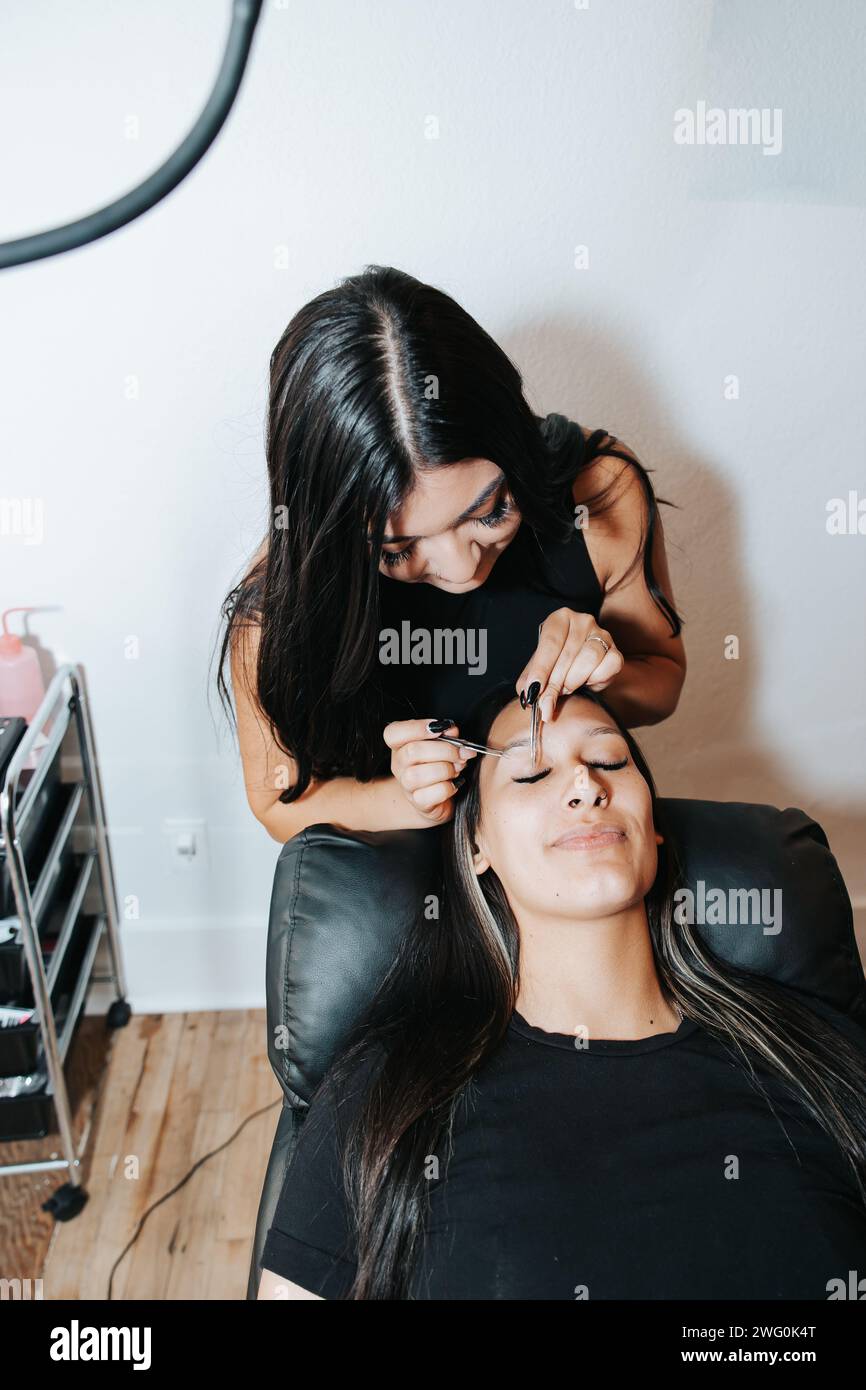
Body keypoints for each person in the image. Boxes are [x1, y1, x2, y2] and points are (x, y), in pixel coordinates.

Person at [257, 683, 866, 1300]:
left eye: (608, 761)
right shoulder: (391, 1090)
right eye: (530, 773)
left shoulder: (814, 1056)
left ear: (653, 827)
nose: (585, 785)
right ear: (475, 845)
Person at [216, 265, 687, 844]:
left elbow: (663, 681)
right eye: (398, 549)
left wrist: (600, 674)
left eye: (489, 512)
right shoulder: (278, 612)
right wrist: (405, 800)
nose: (463, 569)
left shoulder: (599, 498)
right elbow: (276, 803)